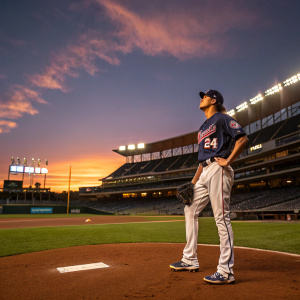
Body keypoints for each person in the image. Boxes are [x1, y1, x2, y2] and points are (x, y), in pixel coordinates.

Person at [170, 89, 248, 284]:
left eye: (204, 96)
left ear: (213, 100)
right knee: (189, 209)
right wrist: (193, 183)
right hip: (205, 171)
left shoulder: (222, 118)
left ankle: (225, 271)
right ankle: (190, 259)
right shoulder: (203, 127)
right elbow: (201, 160)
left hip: (219, 169)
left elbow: (242, 138)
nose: (201, 98)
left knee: (221, 217)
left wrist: (228, 160)